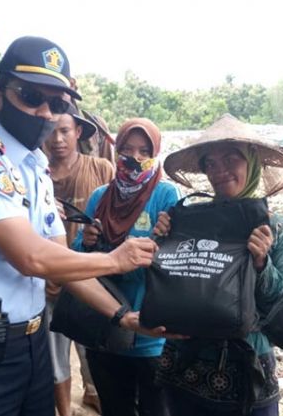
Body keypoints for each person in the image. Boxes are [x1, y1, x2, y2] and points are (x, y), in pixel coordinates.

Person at [0, 36, 166, 416]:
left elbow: (61, 261)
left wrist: (122, 316)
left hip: (31, 344)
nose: (44, 112)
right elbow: (32, 258)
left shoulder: (36, 168)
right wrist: (116, 260)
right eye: (31, 96)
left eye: (56, 103)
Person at [155, 113, 283, 416]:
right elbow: (165, 283)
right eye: (210, 162)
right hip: (184, 364)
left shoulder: (279, 229)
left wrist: (261, 264)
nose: (219, 170)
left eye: (231, 159)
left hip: (246, 368)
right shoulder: (189, 221)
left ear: (252, 163)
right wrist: (160, 240)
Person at [73, 117, 182, 416]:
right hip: (105, 326)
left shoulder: (166, 195)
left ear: (154, 153)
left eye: (144, 151)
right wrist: (89, 242)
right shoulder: (100, 197)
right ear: (116, 150)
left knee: (155, 410)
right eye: (127, 149)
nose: (134, 158)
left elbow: (180, 259)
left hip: (150, 333)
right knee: (115, 408)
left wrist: (167, 238)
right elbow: (76, 257)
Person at [43, 105, 115, 416]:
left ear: (78, 133)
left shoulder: (101, 169)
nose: (57, 139)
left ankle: (94, 393)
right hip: (48, 280)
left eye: (64, 131)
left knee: (94, 348)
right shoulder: (36, 174)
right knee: (55, 353)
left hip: (91, 276)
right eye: (50, 131)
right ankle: (64, 410)